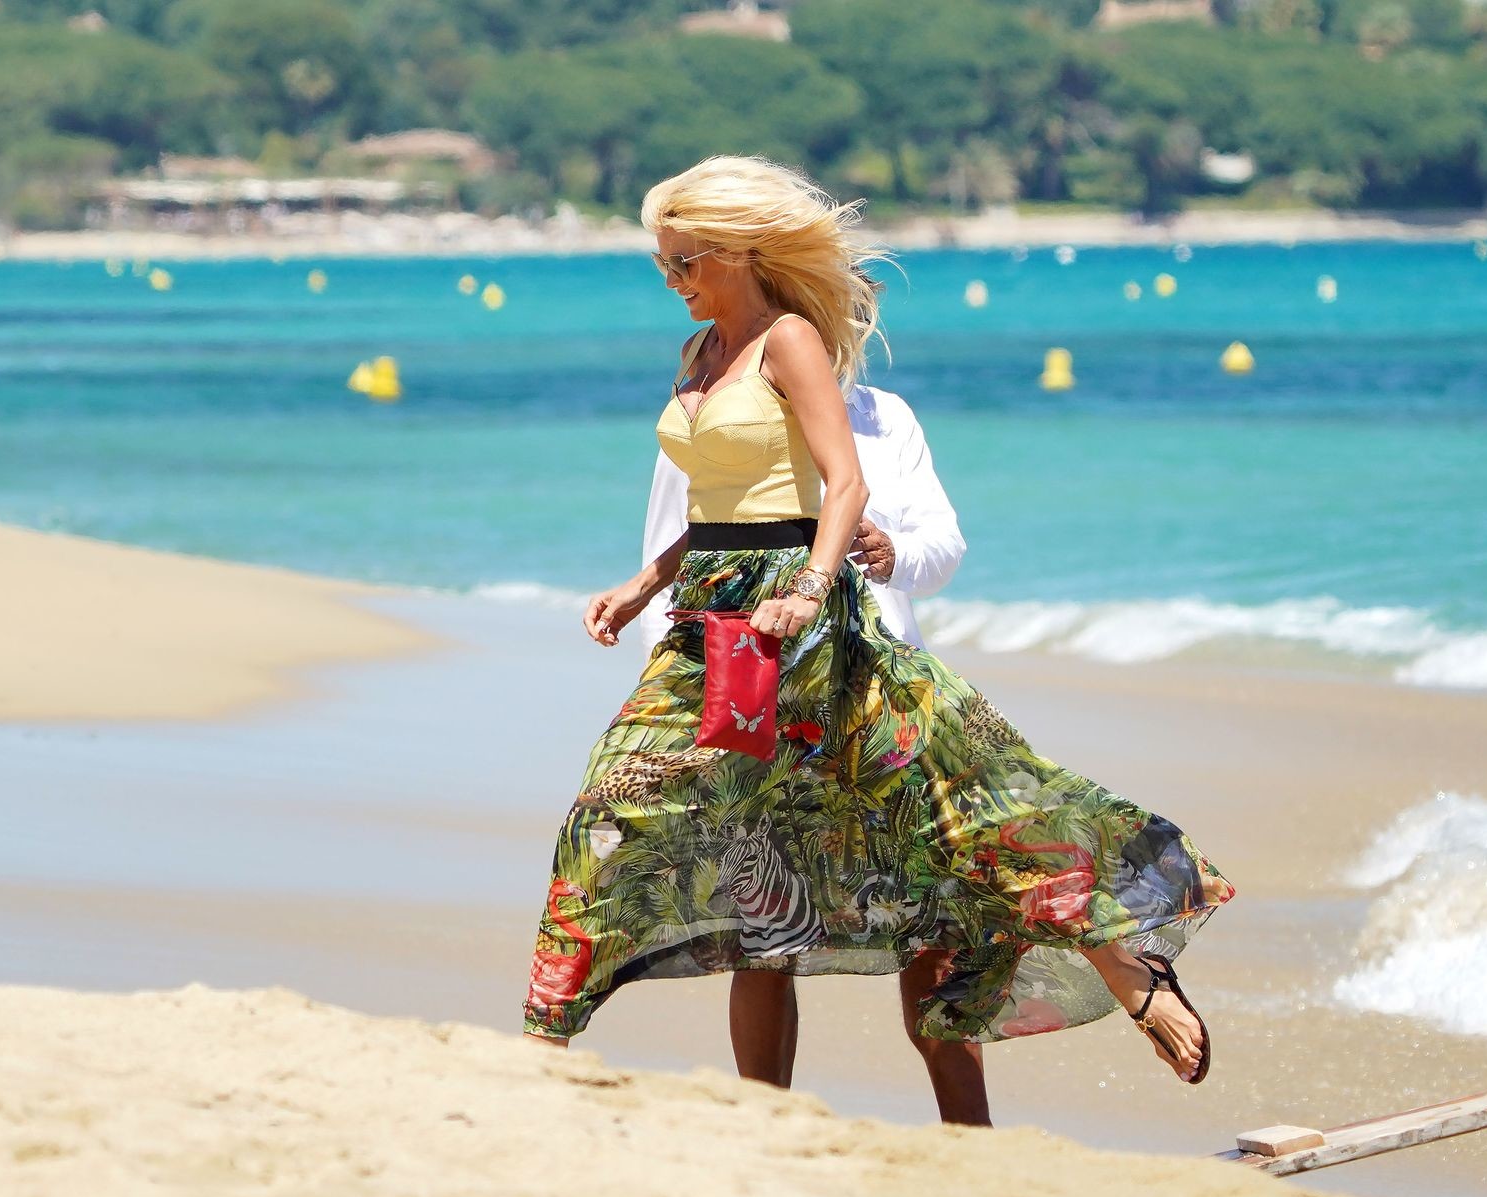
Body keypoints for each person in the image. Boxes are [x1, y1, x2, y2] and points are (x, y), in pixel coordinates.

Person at [522, 154, 1236, 1097]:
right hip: (713, 624)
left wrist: (811, 589)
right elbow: (713, 509)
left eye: (683, 261)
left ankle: (1123, 965)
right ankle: (541, 1045)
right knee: (611, 807)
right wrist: (641, 583)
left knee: (964, 814)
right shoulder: (700, 354)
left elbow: (845, 483)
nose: (670, 279)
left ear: (737, 252)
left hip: (809, 627)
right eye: (662, 262)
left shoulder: (789, 342)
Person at [637, 386, 987, 1122]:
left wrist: (895, 555)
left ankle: (971, 1135)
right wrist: (679, 711)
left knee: (932, 917)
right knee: (765, 930)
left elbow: (943, 545)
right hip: (761, 702)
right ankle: (766, 1126)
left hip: (882, 698)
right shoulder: (717, 404)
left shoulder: (883, 415)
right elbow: (676, 560)